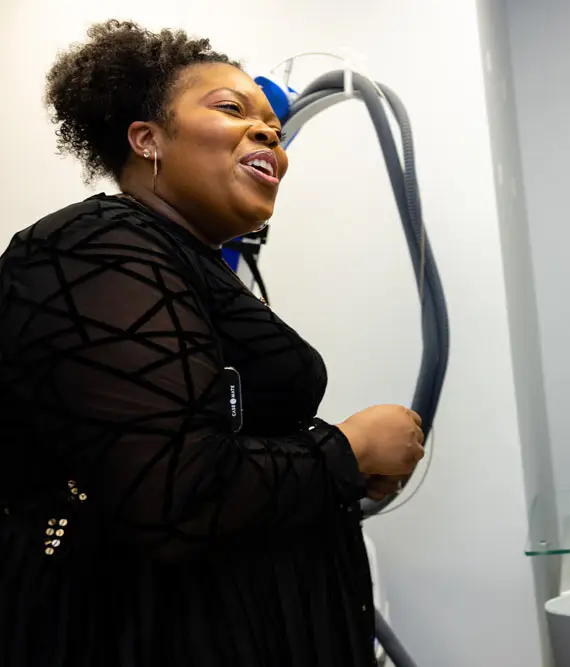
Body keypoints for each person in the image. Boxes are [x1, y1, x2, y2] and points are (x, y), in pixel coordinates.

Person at [0, 20, 424, 667]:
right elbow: (176, 492)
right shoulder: (94, 247)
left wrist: (341, 476)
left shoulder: (181, 263)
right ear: (147, 139)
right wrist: (348, 448)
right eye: (232, 108)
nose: (269, 134)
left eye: (274, 127)